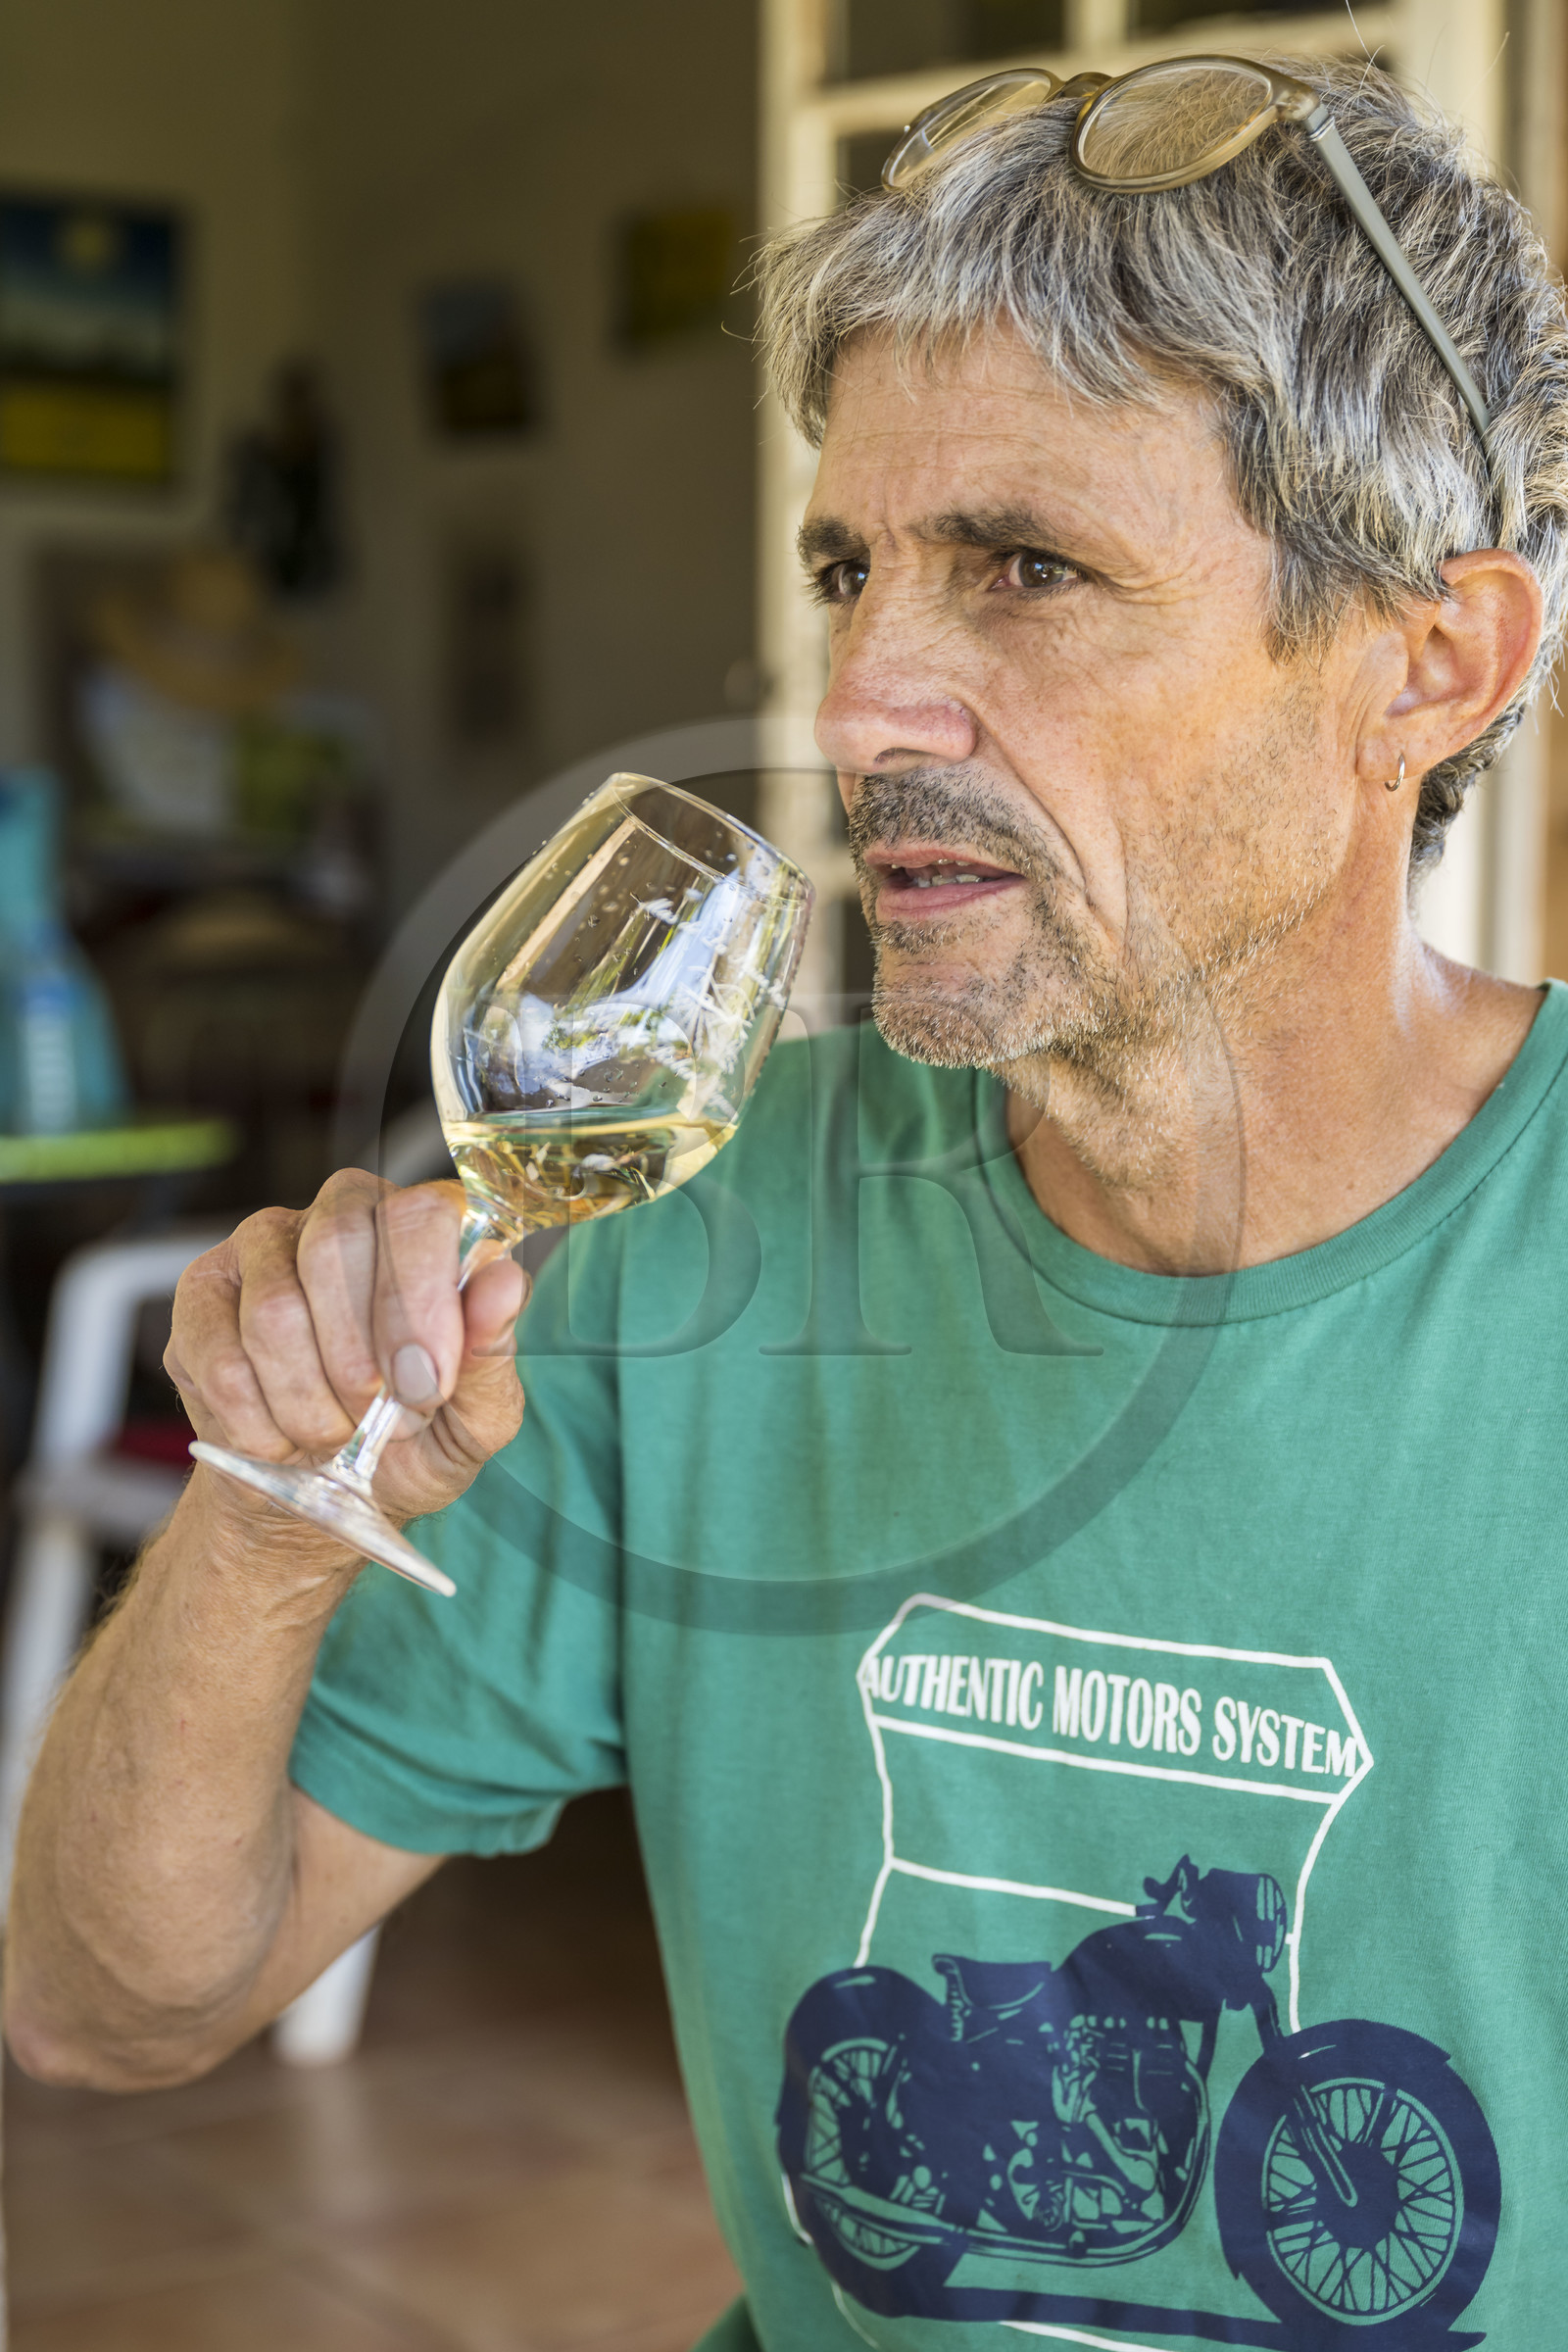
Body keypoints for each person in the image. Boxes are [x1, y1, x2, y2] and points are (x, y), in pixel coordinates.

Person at [9, 54, 1568, 2352]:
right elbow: (100, 2009)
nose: (860, 707)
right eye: (851, 571)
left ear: (1426, 668)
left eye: (1027, 570)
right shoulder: (706, 1235)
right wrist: (268, 1513)